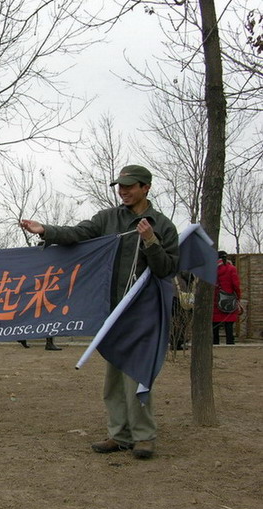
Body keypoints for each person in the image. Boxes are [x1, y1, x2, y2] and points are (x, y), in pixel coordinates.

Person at [20, 165, 178, 459]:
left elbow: (167, 269)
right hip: (111, 309)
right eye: (120, 186)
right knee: (114, 375)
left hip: (143, 311)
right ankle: (120, 435)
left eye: (130, 186)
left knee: (137, 374)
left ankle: (144, 437)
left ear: (146, 188)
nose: (123, 191)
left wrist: (151, 242)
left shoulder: (163, 226)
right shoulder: (107, 219)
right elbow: (79, 234)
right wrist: (47, 230)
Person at [213, 251, 241, 345]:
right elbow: (236, 285)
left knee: (215, 322)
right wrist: (238, 296)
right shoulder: (232, 269)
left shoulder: (211, 269)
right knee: (229, 321)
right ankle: (230, 342)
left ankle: (215, 342)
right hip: (228, 298)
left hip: (215, 299)